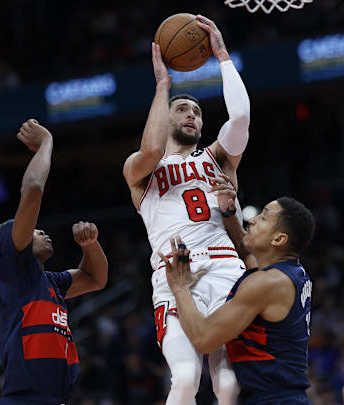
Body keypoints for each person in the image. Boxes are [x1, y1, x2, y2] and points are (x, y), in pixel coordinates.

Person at [121, 14, 250, 405]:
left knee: (227, 382)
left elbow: (240, 117)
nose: (192, 114)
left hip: (226, 266)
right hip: (175, 275)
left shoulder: (218, 159)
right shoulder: (140, 170)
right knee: (186, 378)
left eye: (197, 111)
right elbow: (152, 149)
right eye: (183, 110)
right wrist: (164, 86)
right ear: (165, 115)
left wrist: (222, 54)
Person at [0, 119, 109, 404]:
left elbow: (96, 279)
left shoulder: (50, 282)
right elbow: (33, 190)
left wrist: (90, 246)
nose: (38, 229)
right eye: (28, 229)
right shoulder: (15, 273)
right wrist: (46, 142)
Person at [159, 194, 315, 405]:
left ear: (279, 239)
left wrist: (180, 288)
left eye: (263, 218)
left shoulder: (265, 283)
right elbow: (247, 251)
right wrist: (230, 215)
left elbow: (203, 339)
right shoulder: (291, 273)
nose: (252, 220)